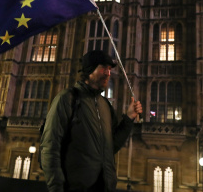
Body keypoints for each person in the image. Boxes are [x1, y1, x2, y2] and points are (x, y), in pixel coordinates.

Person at [40, 50, 143, 192]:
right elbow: (50, 147)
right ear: (89, 70)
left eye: (109, 69)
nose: (108, 73)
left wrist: (129, 118)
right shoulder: (68, 98)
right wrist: (56, 188)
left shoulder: (106, 106)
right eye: (103, 68)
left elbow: (111, 147)